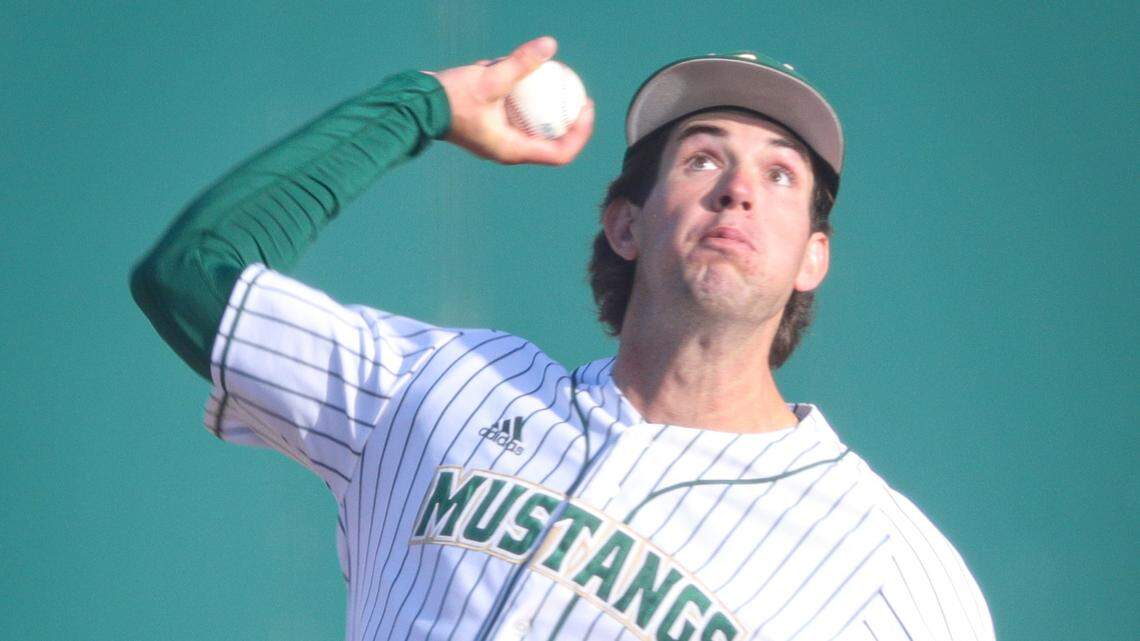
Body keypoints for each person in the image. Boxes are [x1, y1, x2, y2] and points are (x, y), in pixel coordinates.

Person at [132, 36, 994, 641]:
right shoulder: (441, 391)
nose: (738, 189)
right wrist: (419, 106)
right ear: (625, 224)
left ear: (814, 258)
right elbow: (191, 273)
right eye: (701, 158)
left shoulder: (887, 566)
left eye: (779, 173)